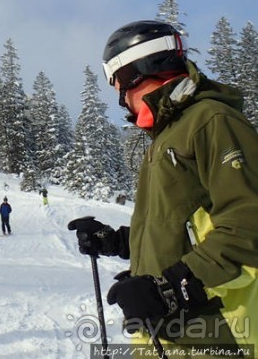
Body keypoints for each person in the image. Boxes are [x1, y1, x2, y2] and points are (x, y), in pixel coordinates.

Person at [68, 19, 258, 354]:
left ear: (136, 72)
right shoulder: (169, 135)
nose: (121, 100)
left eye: (118, 86)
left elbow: (248, 222)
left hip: (214, 332)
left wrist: (171, 288)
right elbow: (182, 226)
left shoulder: (210, 121)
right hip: (168, 332)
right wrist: (117, 241)